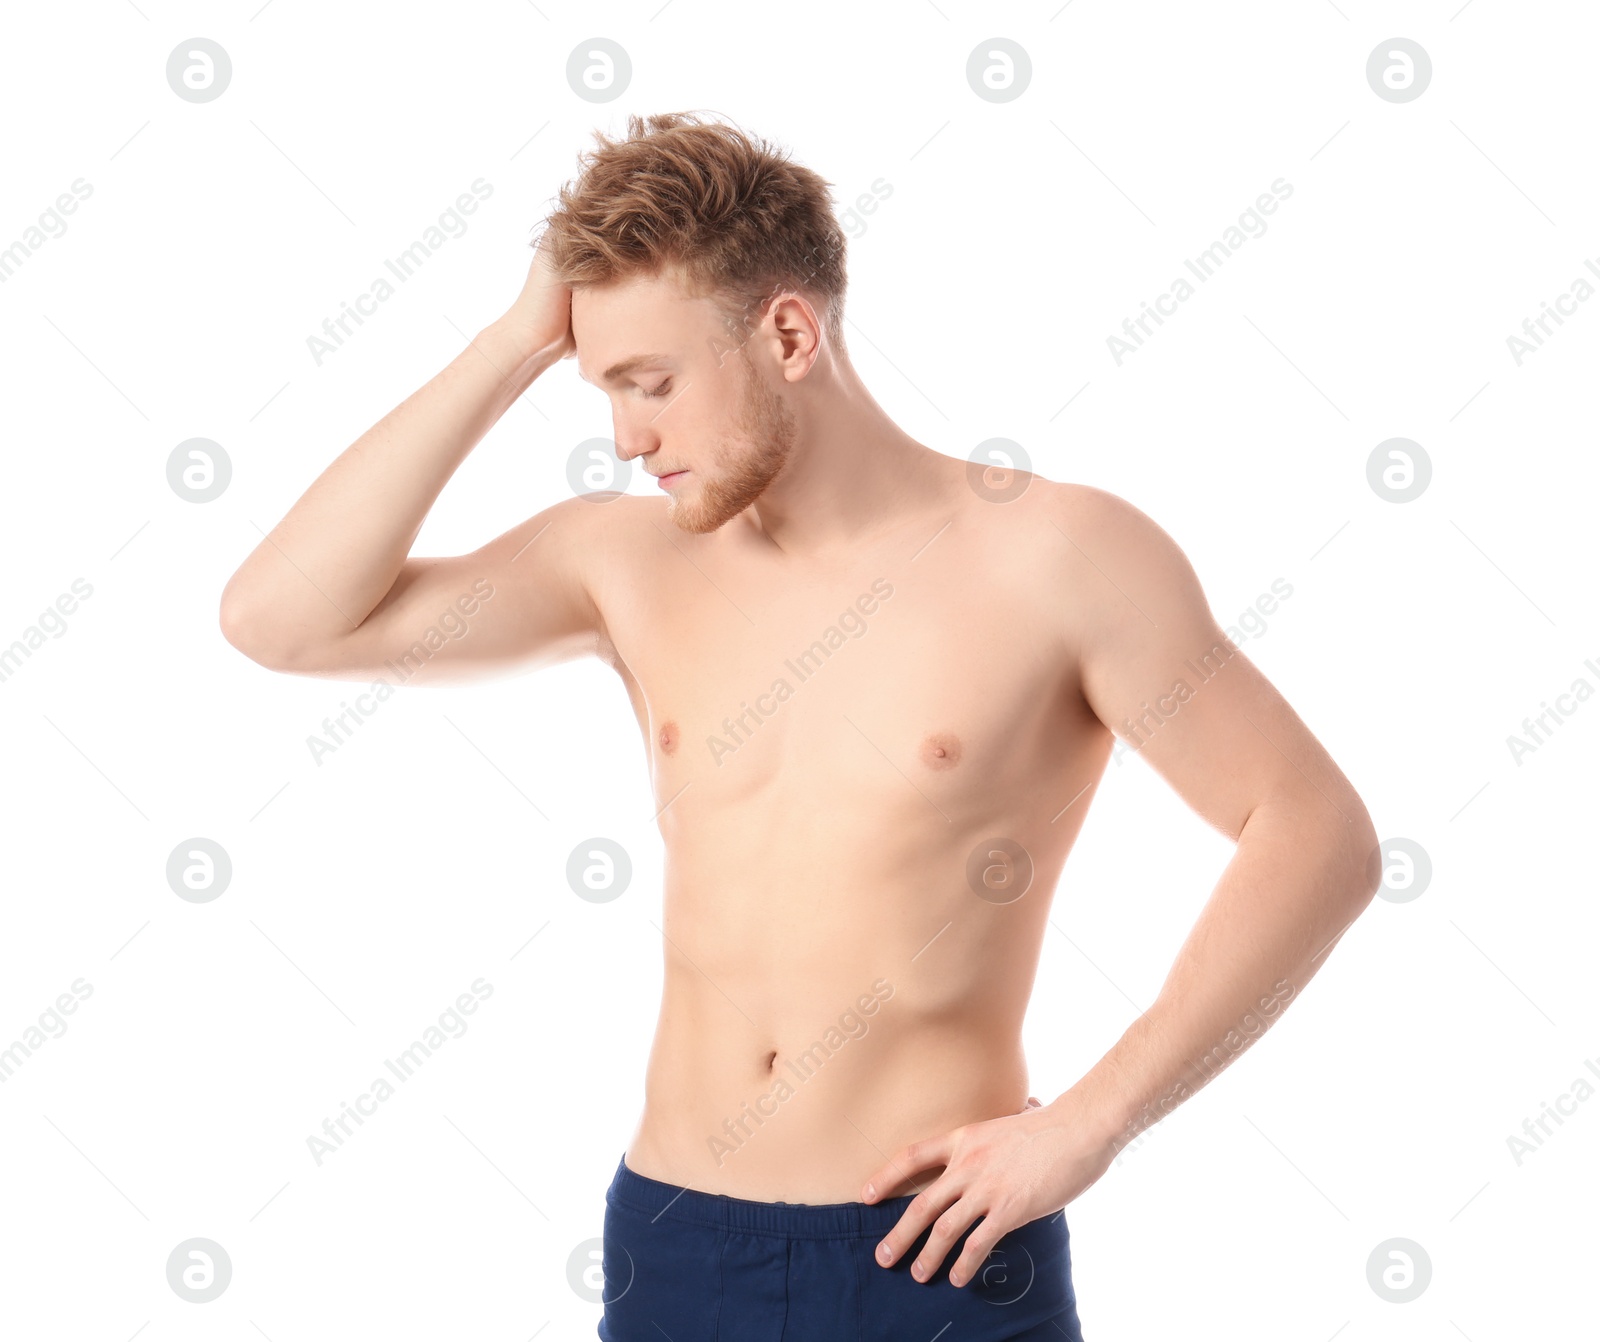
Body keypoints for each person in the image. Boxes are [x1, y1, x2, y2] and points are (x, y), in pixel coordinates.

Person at [219, 110, 1380, 1341]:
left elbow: (1314, 832)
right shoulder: (626, 560)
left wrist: (1088, 1123)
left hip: (937, 1249)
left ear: (785, 333)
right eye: (603, 390)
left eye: (651, 383)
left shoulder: (1058, 556)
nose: (624, 436)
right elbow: (280, 621)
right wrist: (515, 341)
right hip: (677, 1239)